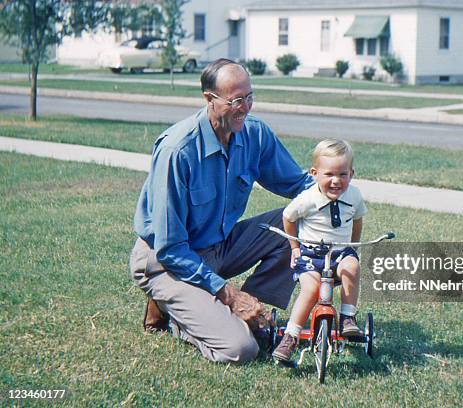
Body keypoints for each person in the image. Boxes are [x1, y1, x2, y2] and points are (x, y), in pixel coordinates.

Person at [129, 58, 311, 364]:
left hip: (219, 247)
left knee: (298, 221)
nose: (246, 107)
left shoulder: (255, 134)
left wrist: (334, 191)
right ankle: (172, 312)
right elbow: (171, 247)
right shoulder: (177, 151)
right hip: (167, 261)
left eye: (250, 97)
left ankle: (255, 315)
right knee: (240, 349)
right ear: (209, 99)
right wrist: (228, 294)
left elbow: (297, 184)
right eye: (236, 100)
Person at [272, 139, 367, 363]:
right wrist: (295, 248)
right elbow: (288, 217)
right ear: (314, 173)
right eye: (329, 175)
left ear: (351, 174)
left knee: (352, 266)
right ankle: (291, 336)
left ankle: (347, 317)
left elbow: (358, 219)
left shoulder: (354, 195)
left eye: (343, 174)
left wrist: (353, 247)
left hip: (340, 252)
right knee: (311, 287)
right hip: (311, 255)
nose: (336, 181)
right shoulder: (308, 198)